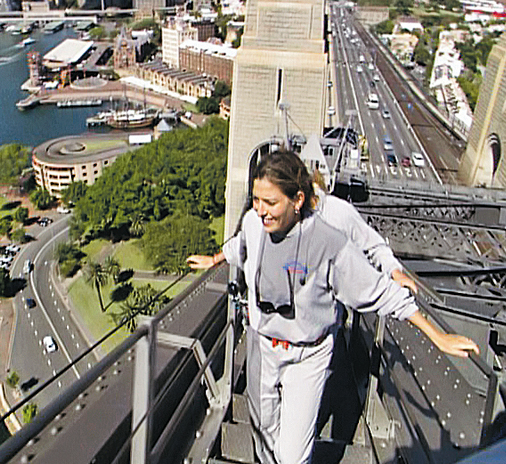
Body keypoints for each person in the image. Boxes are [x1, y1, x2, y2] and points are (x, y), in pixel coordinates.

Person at [187, 151, 479, 464]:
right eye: (256, 200)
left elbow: (379, 291)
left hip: (308, 355)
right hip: (264, 348)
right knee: (263, 438)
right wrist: (214, 259)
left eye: (270, 202)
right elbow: (241, 242)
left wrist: (437, 336)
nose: (260, 210)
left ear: (298, 199)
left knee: (292, 456)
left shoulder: (330, 240)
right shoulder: (255, 223)